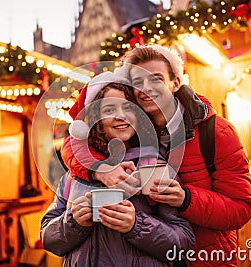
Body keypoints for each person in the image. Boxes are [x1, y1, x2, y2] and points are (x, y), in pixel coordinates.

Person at [61, 44, 251, 266]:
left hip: (204, 259)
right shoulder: (132, 128)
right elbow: (74, 144)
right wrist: (100, 169)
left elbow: (242, 209)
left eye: (156, 79)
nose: (147, 88)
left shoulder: (216, 132)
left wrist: (186, 199)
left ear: (176, 82)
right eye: (138, 82)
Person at [41, 71, 195, 266]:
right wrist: (72, 222)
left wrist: (136, 225)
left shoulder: (153, 166)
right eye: (109, 110)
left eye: (129, 108)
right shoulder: (74, 175)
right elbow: (48, 238)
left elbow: (184, 242)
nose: (121, 117)